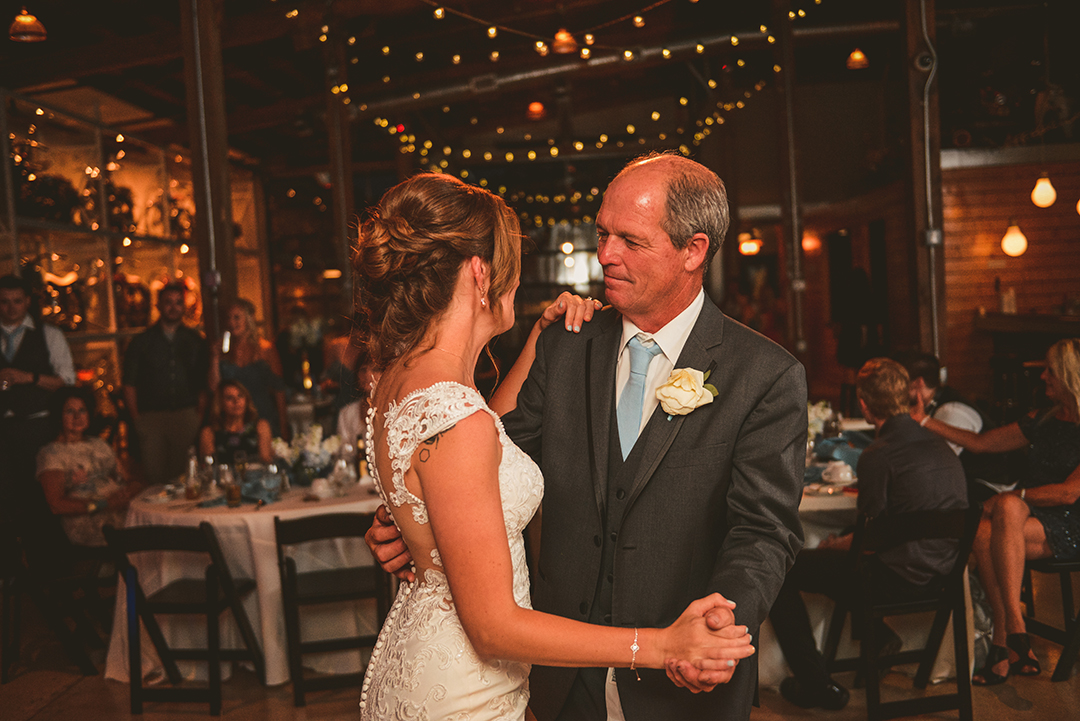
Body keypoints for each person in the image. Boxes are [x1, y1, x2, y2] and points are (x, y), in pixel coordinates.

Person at [368, 153, 807, 720]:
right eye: (602, 233)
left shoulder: (764, 375)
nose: (605, 256)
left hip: (678, 687)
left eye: (630, 239)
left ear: (693, 250)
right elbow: (482, 464)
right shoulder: (565, 344)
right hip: (558, 682)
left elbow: (763, 530)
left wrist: (718, 622)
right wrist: (410, 521)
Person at [769, 358, 968, 709]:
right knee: (849, 558)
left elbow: (868, 537)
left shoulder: (879, 454)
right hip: (945, 574)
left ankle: (815, 684)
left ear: (863, 404)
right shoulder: (940, 445)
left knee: (780, 570)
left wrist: (835, 544)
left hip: (894, 578)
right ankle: (879, 639)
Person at [913, 337, 1080, 685]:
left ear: (1068, 374)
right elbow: (981, 443)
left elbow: (1068, 494)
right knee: (983, 529)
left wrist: (1016, 495)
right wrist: (923, 421)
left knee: (1004, 505)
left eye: (1050, 370)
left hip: (1069, 522)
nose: (1043, 377)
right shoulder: (1044, 418)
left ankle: (1006, 636)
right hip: (1027, 519)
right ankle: (1013, 642)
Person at [0, 273, 76, 562]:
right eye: (4, 302)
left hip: (38, 425)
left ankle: (51, 565)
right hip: (3, 428)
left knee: (42, 498)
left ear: (27, 302)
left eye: (16, 301)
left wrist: (27, 377)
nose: (10, 308)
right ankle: (13, 569)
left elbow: (66, 380)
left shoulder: (48, 335)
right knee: (7, 497)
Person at [122, 282, 210, 486]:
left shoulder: (195, 340)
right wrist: (137, 419)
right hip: (151, 417)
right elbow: (129, 384)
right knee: (154, 477)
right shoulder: (141, 342)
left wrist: (198, 414)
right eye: (168, 302)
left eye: (179, 303)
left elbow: (203, 383)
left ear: (184, 306)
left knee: (185, 476)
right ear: (158, 306)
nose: (173, 307)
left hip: (185, 414)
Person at [897, 351, 1014, 503]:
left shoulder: (950, 411)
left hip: (992, 486)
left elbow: (936, 465)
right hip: (967, 479)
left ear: (918, 383)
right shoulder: (932, 404)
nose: (896, 390)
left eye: (899, 383)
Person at [36, 386, 140, 547]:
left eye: (82, 410)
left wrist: (129, 492)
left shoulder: (98, 444)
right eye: (70, 411)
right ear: (59, 416)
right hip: (89, 523)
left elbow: (130, 479)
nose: (77, 416)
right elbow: (56, 505)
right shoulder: (52, 453)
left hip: (121, 512)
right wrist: (104, 504)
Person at [209, 298, 289, 440]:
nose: (231, 322)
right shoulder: (223, 351)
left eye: (237, 317)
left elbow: (279, 390)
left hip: (263, 415)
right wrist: (214, 358)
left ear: (249, 319)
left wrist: (283, 427)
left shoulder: (266, 349)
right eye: (228, 318)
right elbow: (214, 388)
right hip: (233, 420)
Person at [199, 379, 273, 465]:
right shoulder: (209, 432)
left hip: (256, 476)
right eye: (229, 398)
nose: (236, 401)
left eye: (240, 396)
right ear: (220, 403)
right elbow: (209, 467)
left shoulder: (260, 426)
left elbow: (266, 462)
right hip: (224, 477)